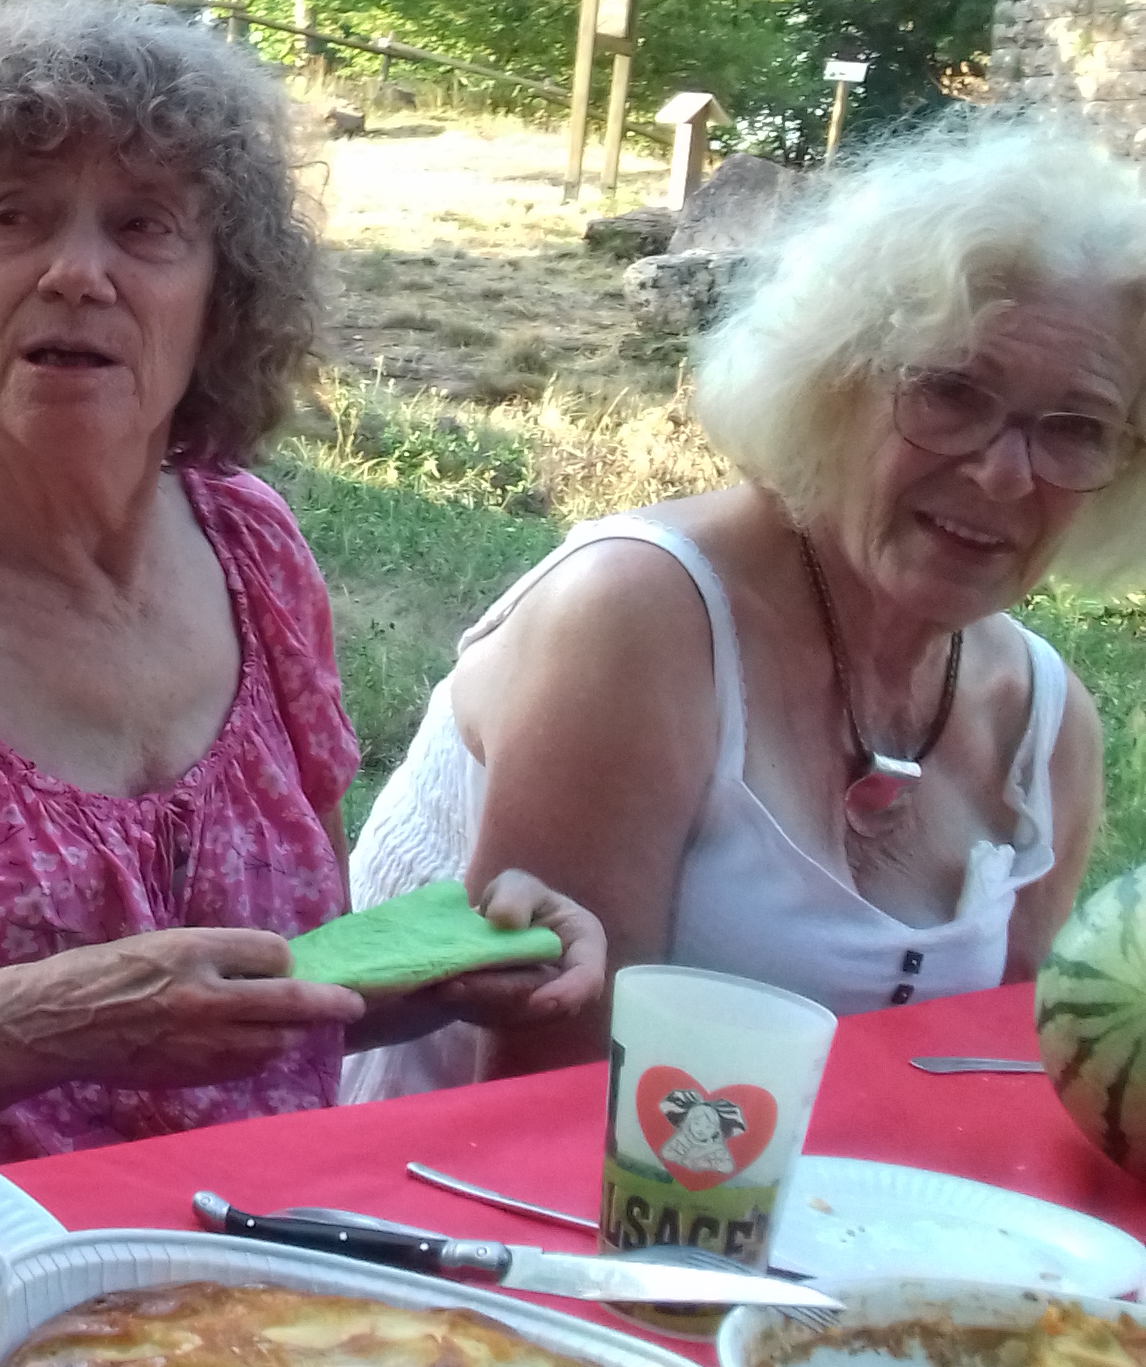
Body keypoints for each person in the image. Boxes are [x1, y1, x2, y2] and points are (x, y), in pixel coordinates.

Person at [0, 0, 602, 1162]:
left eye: (145, 227)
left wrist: (456, 965)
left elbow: (269, 999)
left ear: (221, 307)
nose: (76, 273)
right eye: (16, 217)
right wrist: (15, 1035)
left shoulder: (254, 551)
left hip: (258, 1249)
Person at [346, 126, 1126, 1100]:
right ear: (836, 378)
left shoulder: (1044, 730)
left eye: (1077, 428)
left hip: (822, 1194)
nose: (1005, 475)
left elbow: (996, 1090)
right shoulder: (635, 619)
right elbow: (541, 1108)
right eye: (951, 392)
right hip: (452, 1191)